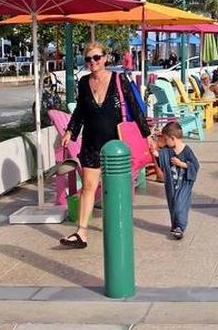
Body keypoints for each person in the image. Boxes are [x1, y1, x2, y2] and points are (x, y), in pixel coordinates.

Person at [60, 42, 154, 248]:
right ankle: (81, 232)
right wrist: (70, 131)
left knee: (115, 188)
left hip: (116, 144)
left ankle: (118, 225)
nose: (92, 62)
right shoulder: (84, 83)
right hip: (92, 143)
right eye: (88, 59)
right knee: (88, 188)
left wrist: (147, 136)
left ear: (105, 58)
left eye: (96, 58)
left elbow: (136, 110)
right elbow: (80, 112)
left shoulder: (119, 79)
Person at [157, 121, 200, 239]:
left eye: (166, 140)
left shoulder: (186, 150)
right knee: (173, 204)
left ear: (173, 138)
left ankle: (180, 226)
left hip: (184, 183)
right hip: (171, 183)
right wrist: (153, 152)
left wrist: (181, 164)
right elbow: (161, 157)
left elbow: (195, 165)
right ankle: (175, 226)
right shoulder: (167, 150)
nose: (165, 142)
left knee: (179, 204)